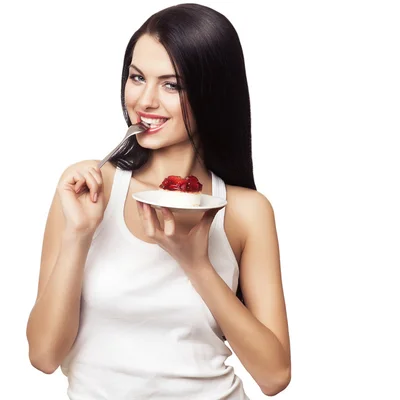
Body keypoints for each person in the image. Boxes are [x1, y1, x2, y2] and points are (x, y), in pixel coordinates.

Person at [26, 3, 291, 399]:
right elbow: (44, 355)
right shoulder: (87, 189)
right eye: (137, 78)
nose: (145, 101)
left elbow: (274, 376)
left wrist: (195, 263)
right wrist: (80, 235)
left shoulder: (246, 211)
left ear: (211, 92)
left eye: (172, 85)